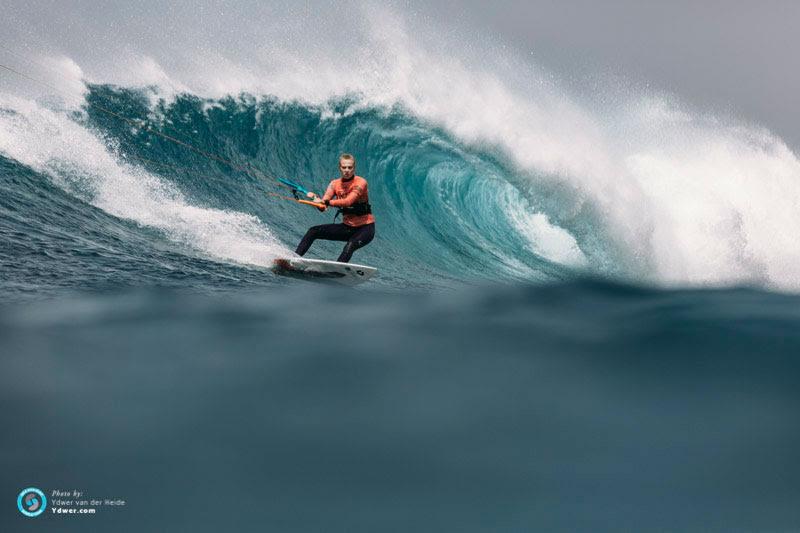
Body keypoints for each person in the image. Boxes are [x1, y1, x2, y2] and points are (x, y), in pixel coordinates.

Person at [295, 153, 375, 263]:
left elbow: (348, 202)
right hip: (347, 227)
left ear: (354, 168)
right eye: (344, 167)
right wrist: (317, 201)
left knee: (350, 246)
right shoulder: (334, 184)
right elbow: (323, 206)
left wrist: (326, 202)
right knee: (313, 231)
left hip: (365, 228)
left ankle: (336, 272)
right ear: (339, 168)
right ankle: (294, 260)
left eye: (350, 167)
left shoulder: (361, 182)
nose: (347, 170)